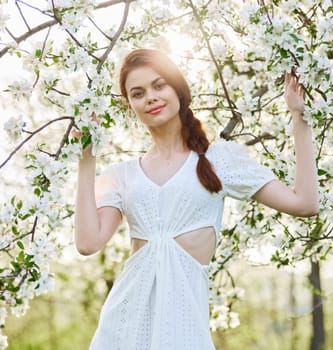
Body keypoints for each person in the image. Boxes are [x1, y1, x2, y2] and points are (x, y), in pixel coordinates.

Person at [73, 48, 319, 350]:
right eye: (138, 93)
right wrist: (86, 161)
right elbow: (88, 243)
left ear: (178, 89)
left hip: (185, 331)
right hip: (122, 330)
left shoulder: (218, 161)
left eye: (159, 85)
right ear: (130, 106)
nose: (150, 97)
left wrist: (299, 117)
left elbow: (305, 203)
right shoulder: (122, 176)